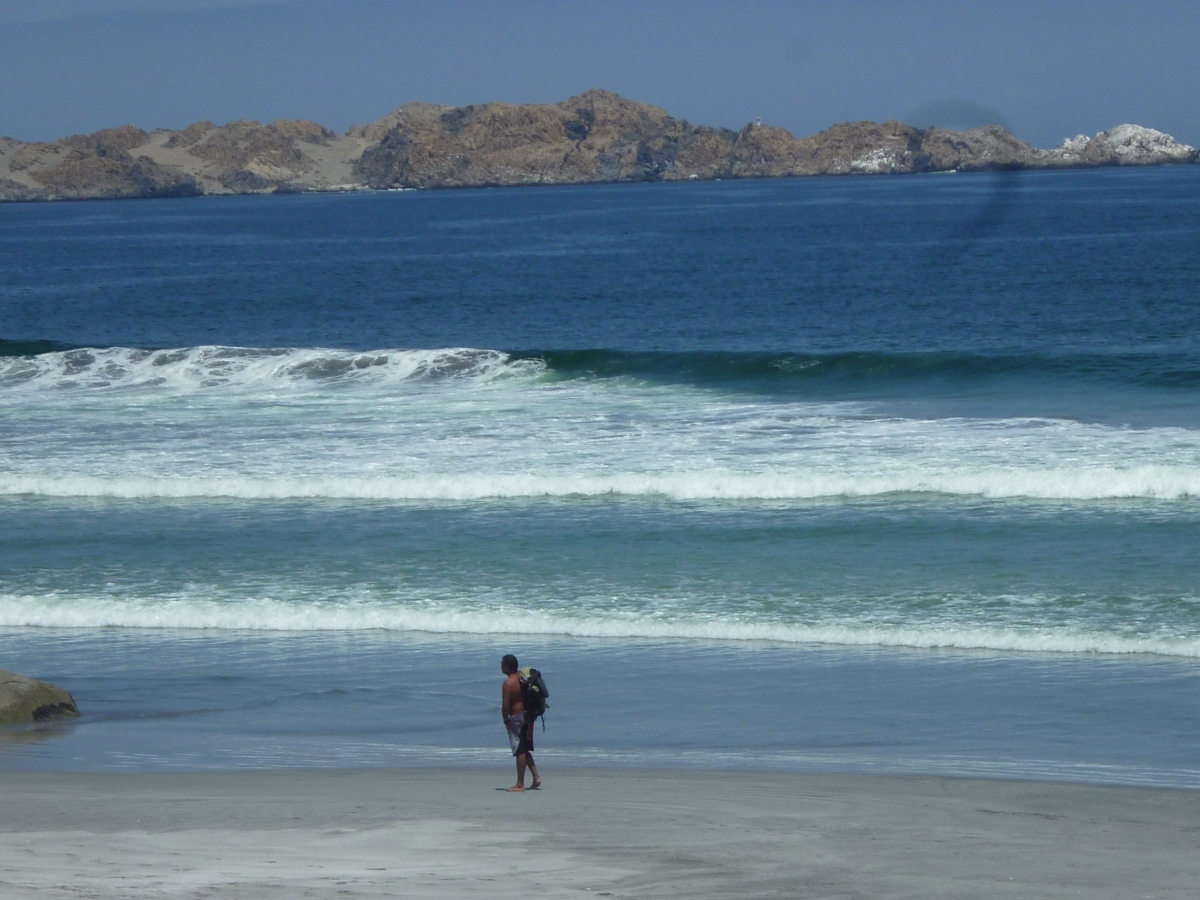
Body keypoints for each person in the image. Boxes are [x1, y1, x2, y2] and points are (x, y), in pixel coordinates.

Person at [501, 654, 541, 791]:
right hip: (529, 716)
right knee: (524, 748)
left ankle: (520, 784)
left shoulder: (508, 683)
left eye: (502, 664)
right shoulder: (522, 677)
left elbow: (506, 706)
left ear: (506, 666)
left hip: (517, 718)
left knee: (520, 751)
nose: (500, 666)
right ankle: (536, 777)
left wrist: (506, 720)